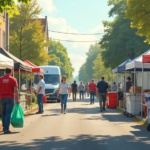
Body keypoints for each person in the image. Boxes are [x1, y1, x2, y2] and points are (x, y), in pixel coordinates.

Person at [0, 68, 19, 133]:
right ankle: (6, 128)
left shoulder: (0, 79)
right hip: (10, 98)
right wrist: (18, 99)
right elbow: (15, 89)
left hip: (2, 98)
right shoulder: (13, 79)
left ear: (5, 72)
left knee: (3, 113)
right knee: (8, 113)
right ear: (11, 72)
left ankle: (4, 126)